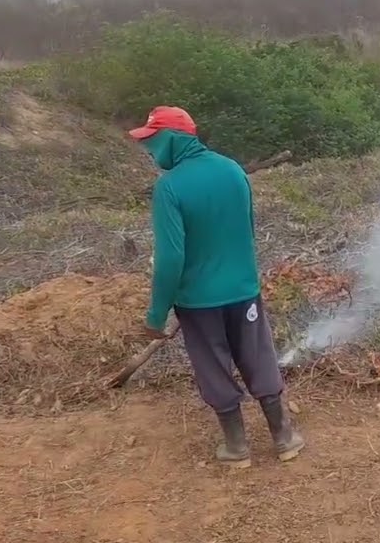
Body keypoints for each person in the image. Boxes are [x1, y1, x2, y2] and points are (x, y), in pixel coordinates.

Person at [130, 105, 304, 468]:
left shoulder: (170, 187)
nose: (149, 150)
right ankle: (284, 437)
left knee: (212, 365)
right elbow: (248, 232)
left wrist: (157, 312)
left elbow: (170, 258)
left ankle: (236, 447)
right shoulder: (233, 171)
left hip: (198, 301)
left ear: (174, 139)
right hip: (244, 291)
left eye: (152, 140)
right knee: (259, 357)